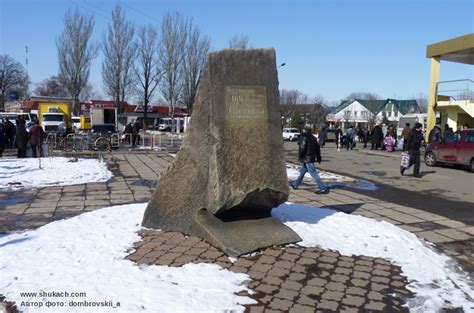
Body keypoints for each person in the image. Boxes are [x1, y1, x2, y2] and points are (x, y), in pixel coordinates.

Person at [289, 125, 328, 194]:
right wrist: (318, 157)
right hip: (310, 158)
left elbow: (302, 148)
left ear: (304, 130)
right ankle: (295, 184)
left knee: (314, 173)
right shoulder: (313, 137)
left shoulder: (304, 136)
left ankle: (323, 188)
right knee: (302, 172)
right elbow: (317, 148)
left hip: (307, 158)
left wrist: (300, 156)